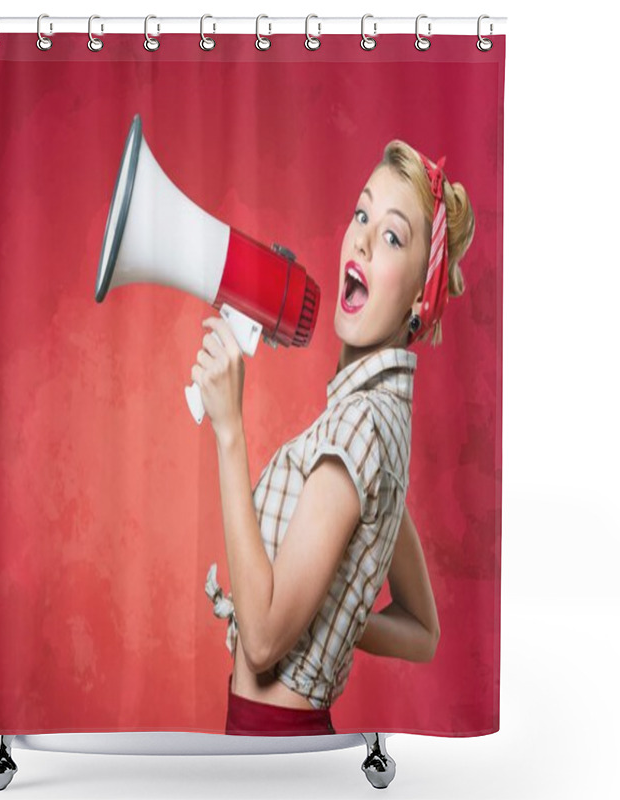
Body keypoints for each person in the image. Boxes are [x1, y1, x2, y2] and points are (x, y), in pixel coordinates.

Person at [194, 140, 475, 736]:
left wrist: (229, 431)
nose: (365, 238)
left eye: (394, 237)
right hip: (282, 739)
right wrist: (335, 614)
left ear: (420, 303)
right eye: (362, 213)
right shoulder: (382, 425)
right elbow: (424, 633)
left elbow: (265, 639)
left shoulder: (356, 427)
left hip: (271, 744)